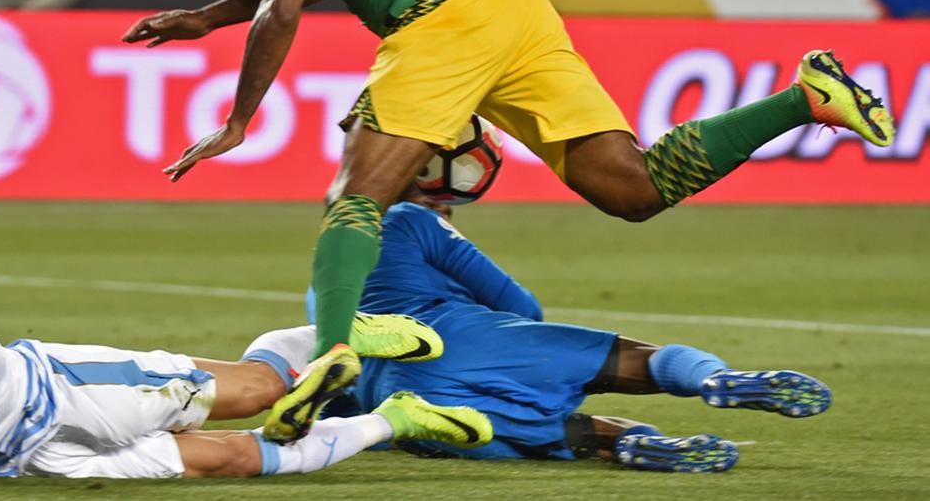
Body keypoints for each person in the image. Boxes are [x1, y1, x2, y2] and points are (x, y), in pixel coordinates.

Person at [120, 0, 892, 441]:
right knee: (632, 188)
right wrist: (205, 17)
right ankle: (803, 98)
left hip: (444, 17)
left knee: (353, 201)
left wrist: (238, 120)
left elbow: (283, 7)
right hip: (512, 1)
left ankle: (330, 357)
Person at [0, 215, 489, 485]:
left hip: (75, 391)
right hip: (41, 461)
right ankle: (395, 418)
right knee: (234, 460)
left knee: (260, 391)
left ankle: (338, 335)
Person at [308, 192, 832, 472]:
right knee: (630, 361)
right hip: (458, 336)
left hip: (397, 399)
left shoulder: (322, 288)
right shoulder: (407, 218)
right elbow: (522, 307)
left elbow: (333, 398)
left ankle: (634, 444)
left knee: (570, 434)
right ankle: (715, 379)